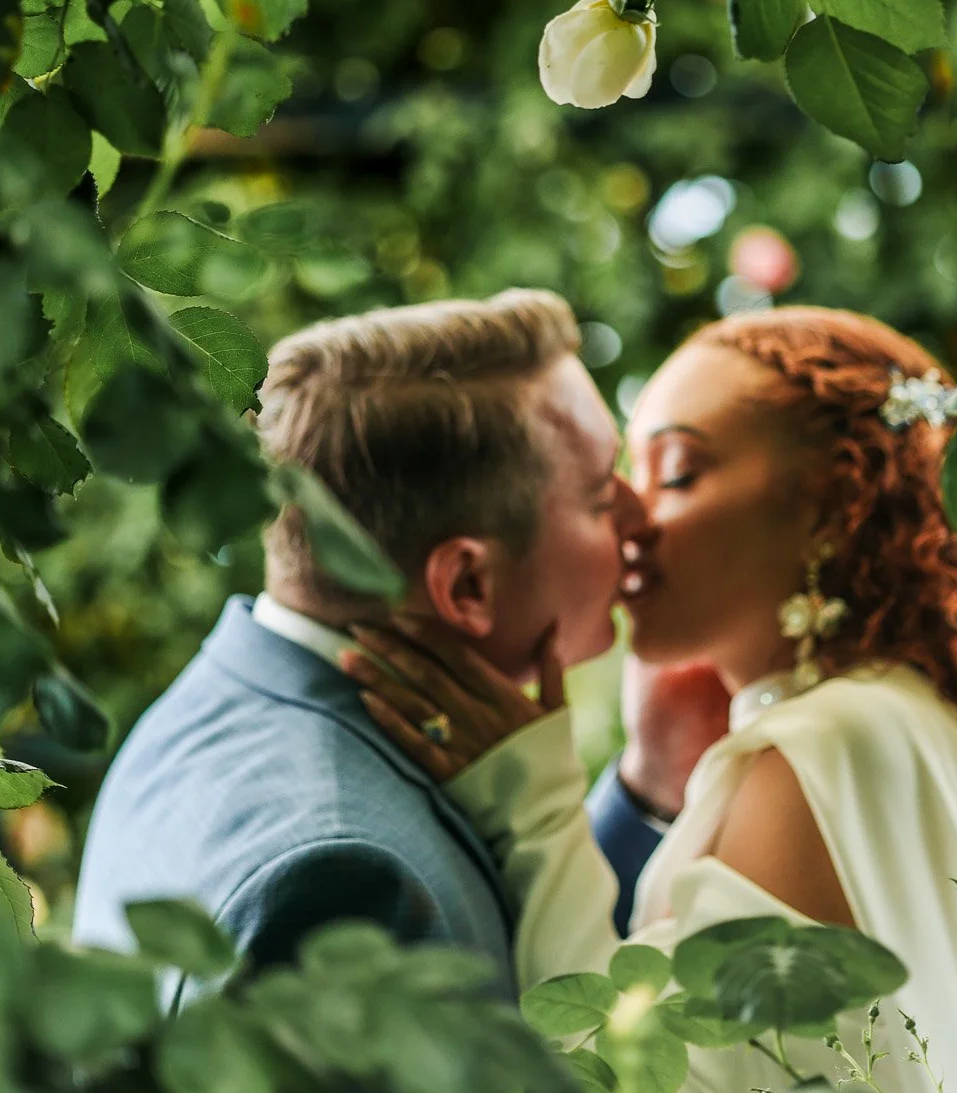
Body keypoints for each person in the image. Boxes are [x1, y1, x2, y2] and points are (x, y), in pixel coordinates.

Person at [341, 308, 957, 1093]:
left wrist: (532, 802)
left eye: (677, 471)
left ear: (829, 503)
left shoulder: (806, 758)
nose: (627, 517)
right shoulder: (914, 725)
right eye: (622, 477)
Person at [73, 291, 651, 996]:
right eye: (598, 494)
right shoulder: (342, 883)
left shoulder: (199, 712)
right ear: (467, 584)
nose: (640, 512)